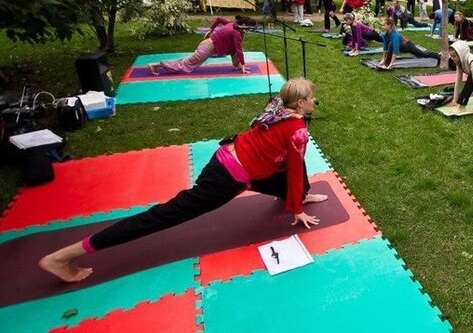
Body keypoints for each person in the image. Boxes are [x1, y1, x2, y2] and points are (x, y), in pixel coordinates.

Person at [38, 78, 328, 283]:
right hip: (228, 178)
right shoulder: (297, 130)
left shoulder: (278, 107)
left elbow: (292, 163)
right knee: (162, 216)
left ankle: (297, 193)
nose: (315, 100)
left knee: (285, 179)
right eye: (312, 97)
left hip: (228, 156)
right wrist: (296, 209)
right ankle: (63, 256)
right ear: (301, 103)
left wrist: (299, 194)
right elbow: (293, 165)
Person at [148, 15, 256, 75]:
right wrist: (243, 64)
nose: (249, 30)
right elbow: (239, 49)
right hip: (207, 47)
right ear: (244, 25)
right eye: (249, 28)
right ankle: (156, 65)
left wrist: (211, 30)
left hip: (210, 45)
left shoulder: (233, 25)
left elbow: (218, 19)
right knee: (186, 65)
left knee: (233, 50)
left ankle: (236, 65)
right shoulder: (236, 32)